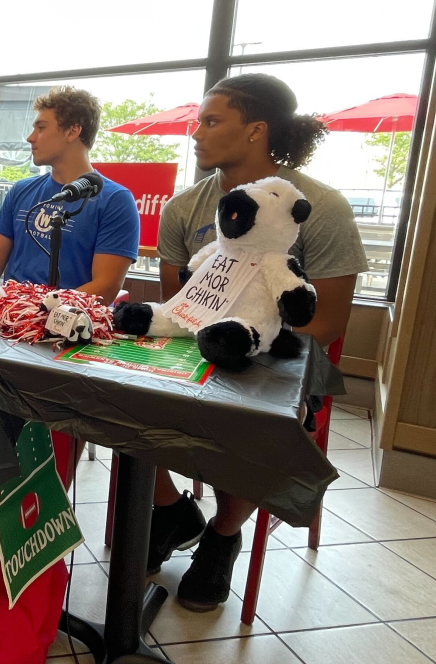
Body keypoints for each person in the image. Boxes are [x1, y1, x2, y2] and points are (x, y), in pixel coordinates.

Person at [150, 73, 367, 612]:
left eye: (211, 121)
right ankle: (172, 508)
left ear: (256, 131)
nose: (195, 134)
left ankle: (222, 536)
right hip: (200, 347)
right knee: (114, 394)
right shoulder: (184, 209)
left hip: (282, 361)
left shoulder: (318, 207)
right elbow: (179, 302)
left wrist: (250, 357)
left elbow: (329, 322)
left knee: (246, 419)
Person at [0, 87, 139, 303]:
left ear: (72, 131)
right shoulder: (21, 190)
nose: (30, 138)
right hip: (7, 318)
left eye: (41, 128)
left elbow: (105, 287)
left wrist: (37, 311)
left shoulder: (116, 201)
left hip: (68, 326)